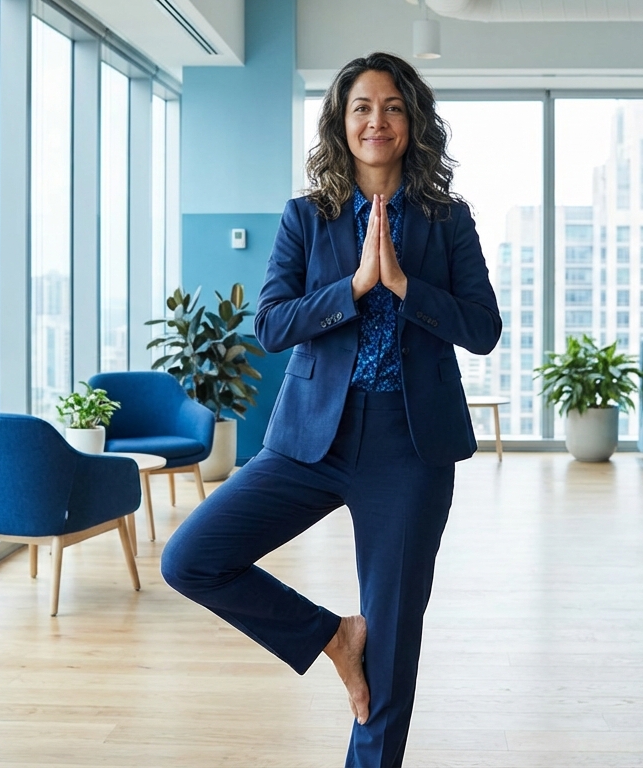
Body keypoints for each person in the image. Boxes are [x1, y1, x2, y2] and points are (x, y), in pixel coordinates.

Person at [160, 51, 501, 768]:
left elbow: (483, 329)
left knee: (396, 642)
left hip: (410, 449)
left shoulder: (448, 220)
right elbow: (273, 324)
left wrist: (404, 284)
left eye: (393, 107)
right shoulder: (304, 217)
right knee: (191, 557)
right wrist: (352, 286)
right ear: (341, 124)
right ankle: (333, 637)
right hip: (310, 440)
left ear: (413, 123)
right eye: (362, 108)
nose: (377, 120)